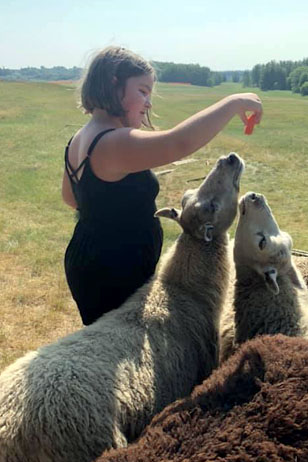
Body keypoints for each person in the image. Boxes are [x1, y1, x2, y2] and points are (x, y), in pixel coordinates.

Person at [62, 46, 262, 325]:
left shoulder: (79, 139)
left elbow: (72, 198)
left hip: (88, 259)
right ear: (113, 83)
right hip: (115, 272)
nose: (148, 103)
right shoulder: (112, 141)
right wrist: (233, 103)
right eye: (142, 91)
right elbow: (177, 143)